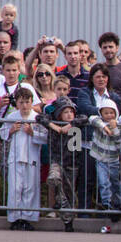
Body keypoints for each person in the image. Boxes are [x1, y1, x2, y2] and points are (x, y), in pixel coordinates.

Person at [37, 97, 90, 231]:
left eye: (71, 112)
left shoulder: (77, 122)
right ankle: (56, 191)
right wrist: (53, 126)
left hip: (72, 164)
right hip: (57, 161)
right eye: (65, 112)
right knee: (54, 177)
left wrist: (70, 125)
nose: (69, 114)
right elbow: (39, 117)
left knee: (68, 194)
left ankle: (68, 221)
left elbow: (85, 118)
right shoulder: (53, 121)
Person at [0, 87, 45, 230]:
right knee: (15, 188)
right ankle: (15, 218)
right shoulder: (12, 117)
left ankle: (27, 218)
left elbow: (45, 137)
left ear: (32, 102)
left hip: (32, 157)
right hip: (16, 156)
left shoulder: (37, 118)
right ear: (17, 103)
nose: (25, 106)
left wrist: (33, 133)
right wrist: (11, 130)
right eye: (21, 102)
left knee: (30, 188)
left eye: (27, 102)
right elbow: (2, 132)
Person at [89, 98, 121, 216]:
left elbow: (119, 140)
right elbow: (91, 118)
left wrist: (114, 128)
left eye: (111, 113)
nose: (109, 115)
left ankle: (117, 203)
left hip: (113, 159)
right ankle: (106, 203)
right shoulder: (99, 122)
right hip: (100, 159)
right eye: (106, 113)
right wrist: (103, 127)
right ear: (101, 113)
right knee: (103, 182)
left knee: (115, 182)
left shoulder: (119, 125)